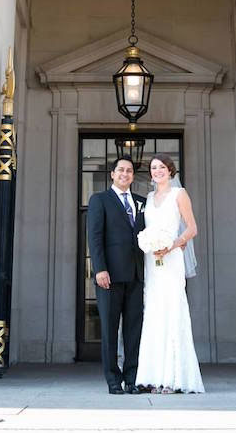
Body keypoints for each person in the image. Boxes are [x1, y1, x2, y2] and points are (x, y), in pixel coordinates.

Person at [135, 154, 205, 394]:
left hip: (172, 257)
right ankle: (154, 377)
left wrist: (173, 245)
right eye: (153, 168)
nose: (157, 171)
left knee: (172, 310)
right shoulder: (149, 197)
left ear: (170, 170)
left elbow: (193, 228)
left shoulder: (180, 194)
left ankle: (175, 379)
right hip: (152, 261)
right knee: (153, 312)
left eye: (161, 167)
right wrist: (150, 243)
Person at [86, 155, 147, 394]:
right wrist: (99, 268)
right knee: (110, 330)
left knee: (134, 330)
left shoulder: (142, 202)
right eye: (120, 170)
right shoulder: (99, 200)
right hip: (109, 276)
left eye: (129, 171)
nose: (125, 174)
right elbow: (95, 236)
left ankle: (132, 378)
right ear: (112, 174)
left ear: (133, 176)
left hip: (136, 276)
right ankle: (113, 380)